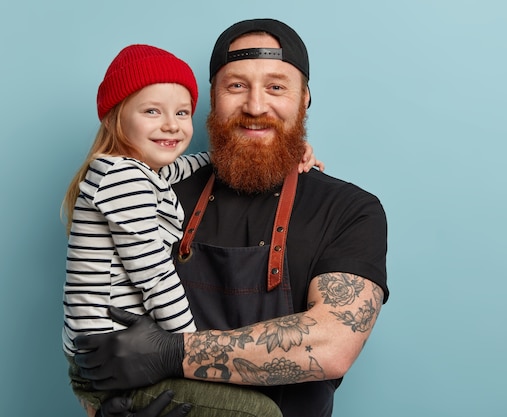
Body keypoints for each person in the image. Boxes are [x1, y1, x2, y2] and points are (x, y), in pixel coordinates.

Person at [74, 18, 388, 417]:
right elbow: (96, 320)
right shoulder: (155, 192)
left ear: (304, 98)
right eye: (236, 86)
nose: (256, 106)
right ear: (213, 97)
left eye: (276, 87)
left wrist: (174, 353)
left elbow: (332, 345)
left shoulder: (348, 210)